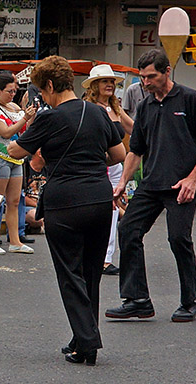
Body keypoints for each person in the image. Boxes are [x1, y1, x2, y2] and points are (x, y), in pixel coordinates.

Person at [3, 55, 125, 366]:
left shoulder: (49, 117)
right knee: (91, 274)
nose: (41, 98)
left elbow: (16, 150)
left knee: (70, 274)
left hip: (65, 202)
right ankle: (82, 339)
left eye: (41, 92)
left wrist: (28, 127)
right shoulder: (98, 113)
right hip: (100, 198)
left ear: (48, 86)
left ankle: (88, 340)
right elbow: (119, 154)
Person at [106, 49, 196, 322]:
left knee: (178, 239)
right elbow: (136, 150)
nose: (146, 82)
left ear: (167, 71)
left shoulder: (189, 98)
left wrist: (193, 178)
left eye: (151, 76)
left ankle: (191, 299)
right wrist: (122, 183)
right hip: (151, 183)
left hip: (182, 184)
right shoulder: (144, 106)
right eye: (142, 77)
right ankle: (138, 299)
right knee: (129, 230)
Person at [81, 64, 133, 275]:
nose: (110, 85)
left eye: (112, 81)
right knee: (91, 211)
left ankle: (106, 257)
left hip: (115, 168)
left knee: (112, 212)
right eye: (105, 81)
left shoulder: (116, 109)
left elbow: (136, 129)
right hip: (95, 166)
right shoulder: (88, 108)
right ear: (94, 85)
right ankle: (90, 253)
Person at [0, 71, 36, 255]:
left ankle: (15, 240)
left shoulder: (13, 106)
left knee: (13, 200)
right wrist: (25, 117)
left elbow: (24, 128)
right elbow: (5, 131)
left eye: (15, 91)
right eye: (9, 91)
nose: (12, 95)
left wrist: (28, 114)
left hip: (16, 156)